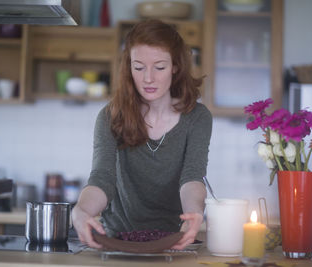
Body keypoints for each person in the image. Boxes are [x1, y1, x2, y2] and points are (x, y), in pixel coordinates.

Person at [72, 19, 212, 250]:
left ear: (175, 66)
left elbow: (192, 177)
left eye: (159, 67)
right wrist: (82, 210)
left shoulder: (197, 117)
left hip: (173, 242)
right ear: (129, 67)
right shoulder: (110, 116)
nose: (148, 78)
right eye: (139, 67)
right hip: (115, 241)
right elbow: (102, 177)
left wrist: (194, 212)